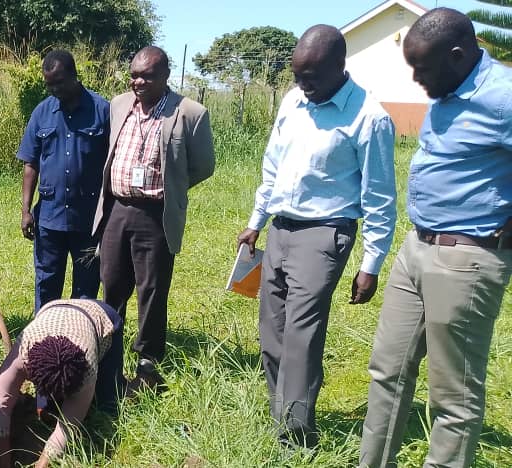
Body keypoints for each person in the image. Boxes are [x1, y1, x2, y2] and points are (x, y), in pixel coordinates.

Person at [360, 9, 512, 467]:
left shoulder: (503, 97)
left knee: (453, 397)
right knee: (387, 371)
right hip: (417, 248)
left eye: (422, 69)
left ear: (458, 56)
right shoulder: (449, 90)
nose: (415, 79)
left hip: (468, 258)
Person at [236, 25, 398, 449]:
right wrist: (257, 220)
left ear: (339, 66)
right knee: (272, 330)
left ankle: (296, 435)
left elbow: (380, 197)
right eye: (297, 76)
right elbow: (273, 166)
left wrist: (371, 264)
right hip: (281, 229)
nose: (303, 86)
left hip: (325, 234)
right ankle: (280, 414)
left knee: (302, 335)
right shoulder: (293, 101)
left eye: (311, 77)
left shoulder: (369, 117)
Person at [92, 46, 216, 394]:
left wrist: (171, 185)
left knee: (152, 290)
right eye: (134, 74)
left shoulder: (190, 112)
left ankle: (147, 364)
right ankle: (107, 353)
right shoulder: (118, 105)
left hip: (155, 215)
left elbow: (204, 165)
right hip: (117, 210)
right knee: (112, 284)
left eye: (147, 75)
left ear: (166, 75)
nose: (138, 81)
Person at [18, 50, 110, 313]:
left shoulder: (101, 110)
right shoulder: (42, 112)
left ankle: (80, 339)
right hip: (49, 218)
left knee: (86, 287)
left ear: (74, 75)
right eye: (49, 84)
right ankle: (45, 338)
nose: (54, 89)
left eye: (59, 82)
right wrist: (25, 210)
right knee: (47, 282)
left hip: (89, 220)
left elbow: (112, 163)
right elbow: (30, 163)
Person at [0, 299, 122, 468]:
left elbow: (67, 427)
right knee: (47, 411)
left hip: (103, 318)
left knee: (107, 403)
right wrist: (2, 462)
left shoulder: (87, 368)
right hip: (54, 309)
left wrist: (42, 464)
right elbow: (0, 401)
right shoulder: (25, 348)